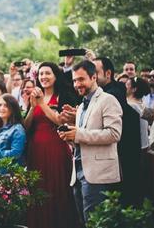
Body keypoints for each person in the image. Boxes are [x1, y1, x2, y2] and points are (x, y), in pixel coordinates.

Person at [59, 60, 122, 224]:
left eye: (81, 79)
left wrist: (78, 134)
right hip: (78, 174)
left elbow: (114, 134)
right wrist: (70, 138)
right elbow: (82, 140)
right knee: (84, 222)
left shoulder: (108, 100)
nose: (76, 84)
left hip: (98, 174)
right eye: (74, 80)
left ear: (94, 77)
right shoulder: (80, 106)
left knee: (95, 223)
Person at [24, 62, 78, 228]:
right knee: (38, 187)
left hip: (56, 147)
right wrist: (33, 108)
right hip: (36, 149)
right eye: (40, 74)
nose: (44, 77)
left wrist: (42, 104)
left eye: (47, 73)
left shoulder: (63, 95)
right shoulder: (34, 98)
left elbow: (60, 121)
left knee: (57, 186)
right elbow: (25, 126)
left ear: (55, 76)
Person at [93, 57, 142, 206]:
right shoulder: (110, 91)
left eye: (94, 72)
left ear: (108, 74)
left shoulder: (112, 95)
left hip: (121, 157)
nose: (91, 75)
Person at [0, 94, 26, 165]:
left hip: (10, 172)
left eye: (6, 106)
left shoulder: (17, 129)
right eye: (0, 105)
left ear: (13, 109)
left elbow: (16, 153)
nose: (2, 108)